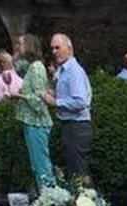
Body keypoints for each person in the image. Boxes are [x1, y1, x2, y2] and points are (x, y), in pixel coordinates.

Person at [45, 32, 92, 178]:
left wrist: (55, 102)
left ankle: (85, 200)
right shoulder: (64, 70)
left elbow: (81, 101)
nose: (54, 52)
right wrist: (53, 93)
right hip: (69, 126)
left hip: (77, 127)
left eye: (57, 48)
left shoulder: (74, 71)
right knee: (73, 172)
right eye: (52, 48)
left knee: (78, 173)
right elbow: (69, 95)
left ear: (69, 48)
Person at [14, 34, 53, 189]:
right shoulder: (31, 66)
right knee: (36, 165)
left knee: (41, 166)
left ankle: (50, 201)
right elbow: (18, 67)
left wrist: (19, 95)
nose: (18, 46)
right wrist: (17, 53)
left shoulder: (37, 68)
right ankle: (45, 199)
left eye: (21, 44)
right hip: (32, 122)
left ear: (29, 45)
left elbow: (38, 101)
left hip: (37, 123)